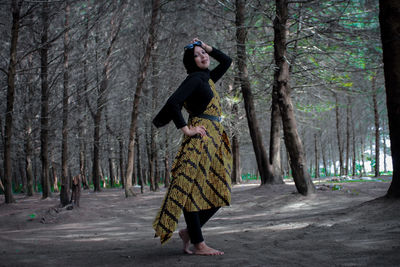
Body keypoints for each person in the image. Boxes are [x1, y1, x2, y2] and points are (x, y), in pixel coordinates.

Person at [152, 38, 232, 256]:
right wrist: (186, 129)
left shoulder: (207, 78)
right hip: (200, 140)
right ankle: (199, 244)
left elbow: (226, 61)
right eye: (197, 55)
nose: (203, 57)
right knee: (192, 188)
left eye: (203, 53)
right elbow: (173, 103)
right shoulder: (195, 79)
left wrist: (207, 47)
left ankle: (189, 233)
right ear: (191, 62)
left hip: (214, 139)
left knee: (221, 190)